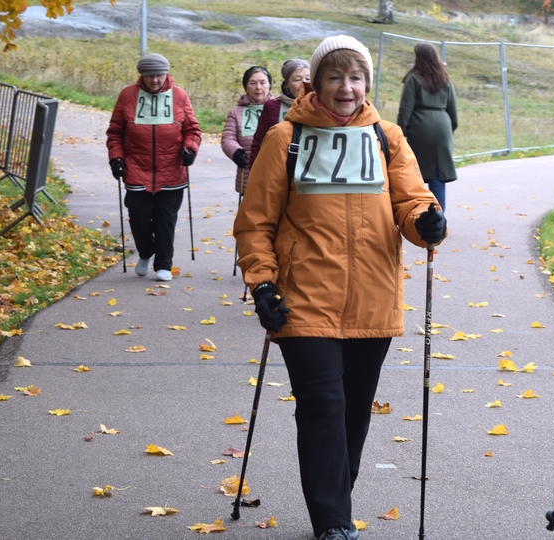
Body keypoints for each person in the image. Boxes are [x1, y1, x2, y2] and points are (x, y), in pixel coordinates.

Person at [233, 35, 447, 540]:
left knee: (353, 410)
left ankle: (335, 498)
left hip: (372, 298)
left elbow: (411, 202)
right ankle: (333, 520)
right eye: (335, 77)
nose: (346, 88)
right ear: (316, 82)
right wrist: (261, 282)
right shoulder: (284, 139)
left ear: (367, 84)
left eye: (355, 78)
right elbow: (256, 221)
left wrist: (426, 222)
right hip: (304, 300)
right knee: (321, 406)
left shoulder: (387, 137)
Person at [107, 53, 201, 281]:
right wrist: (116, 157)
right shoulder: (128, 95)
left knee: (165, 218)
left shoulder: (179, 96)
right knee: (138, 215)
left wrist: (190, 148)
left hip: (172, 169)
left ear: (166, 74)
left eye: (159, 75)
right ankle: (146, 252)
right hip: (136, 166)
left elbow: (192, 130)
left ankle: (163, 264)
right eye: (149, 76)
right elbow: (115, 132)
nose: (155, 81)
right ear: (142, 76)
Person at [397, 43, 458, 211]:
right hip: (443, 128)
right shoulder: (445, 79)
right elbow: (453, 113)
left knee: (414, 174)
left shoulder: (414, 78)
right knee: (437, 177)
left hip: (420, 129)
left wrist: (399, 134)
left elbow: (405, 109)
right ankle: (439, 219)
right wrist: (446, 132)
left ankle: (418, 217)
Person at [248, 59, 312, 170]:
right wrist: (253, 173)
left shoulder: (322, 106)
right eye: (297, 80)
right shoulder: (273, 106)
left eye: (308, 78)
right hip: (279, 170)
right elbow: (259, 143)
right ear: (287, 84)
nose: (304, 84)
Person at [222, 66, 273, 195]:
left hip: (276, 174)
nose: (258, 87)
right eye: (253, 83)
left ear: (269, 85)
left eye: (263, 82)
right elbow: (228, 138)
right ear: (246, 87)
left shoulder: (279, 109)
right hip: (248, 174)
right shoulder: (236, 112)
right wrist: (235, 152)